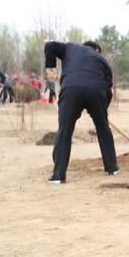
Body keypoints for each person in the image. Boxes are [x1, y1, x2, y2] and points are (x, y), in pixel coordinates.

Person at [43, 41, 118, 184]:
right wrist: (102, 111)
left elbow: (49, 46)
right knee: (103, 129)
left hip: (71, 89)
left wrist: (50, 67)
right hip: (96, 91)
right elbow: (107, 88)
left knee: (64, 131)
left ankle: (58, 175)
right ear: (96, 49)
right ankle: (112, 167)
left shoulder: (70, 48)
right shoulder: (102, 60)